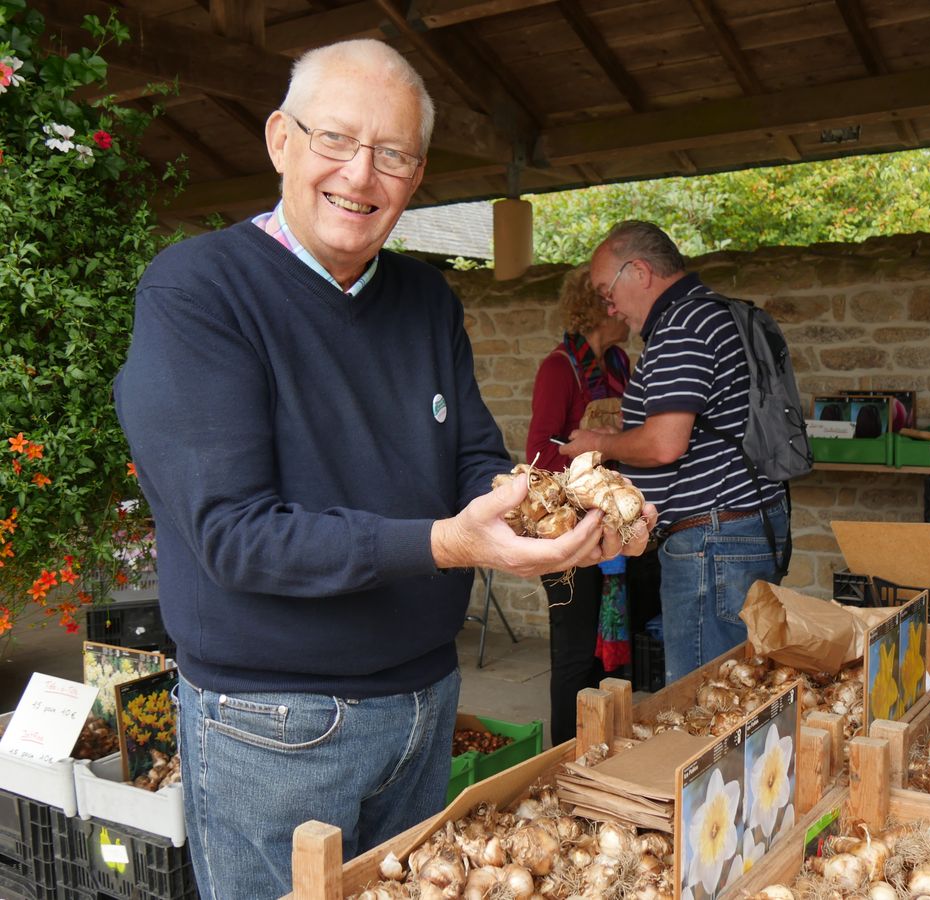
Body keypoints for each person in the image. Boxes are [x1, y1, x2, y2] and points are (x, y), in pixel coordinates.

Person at [113, 40, 653, 900]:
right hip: (274, 723)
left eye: (392, 154)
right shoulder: (197, 293)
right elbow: (233, 537)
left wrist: (552, 511)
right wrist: (448, 544)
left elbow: (474, 456)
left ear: (417, 173)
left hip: (427, 700)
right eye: (335, 140)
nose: (360, 176)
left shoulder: (425, 297)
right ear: (279, 140)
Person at [561, 220, 789, 685]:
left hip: (711, 542)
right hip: (738, 531)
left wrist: (597, 445)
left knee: (702, 699)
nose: (610, 307)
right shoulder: (713, 312)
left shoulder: (680, 326)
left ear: (640, 272)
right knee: (738, 688)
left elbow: (665, 443)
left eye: (609, 291)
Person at [526, 266, 631, 745]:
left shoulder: (619, 367)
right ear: (602, 308)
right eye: (616, 297)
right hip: (566, 527)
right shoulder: (558, 369)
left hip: (612, 526)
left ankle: (604, 749)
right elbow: (539, 458)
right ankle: (566, 758)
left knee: (605, 653)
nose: (627, 309)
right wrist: (600, 450)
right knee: (573, 653)